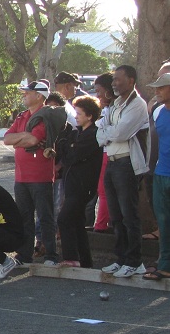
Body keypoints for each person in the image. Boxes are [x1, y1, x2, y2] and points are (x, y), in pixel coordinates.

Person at [97, 65, 150, 278]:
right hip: (111, 161)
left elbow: (120, 133)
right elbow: (100, 136)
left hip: (127, 164)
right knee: (116, 216)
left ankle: (135, 261)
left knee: (129, 215)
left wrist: (107, 131)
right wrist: (108, 132)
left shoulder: (137, 104)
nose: (115, 83)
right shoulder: (115, 104)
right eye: (113, 80)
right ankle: (120, 259)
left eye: (118, 79)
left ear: (131, 80)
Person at [2, 79, 58, 275]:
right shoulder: (22, 116)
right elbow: (7, 138)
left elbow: (34, 139)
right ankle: (24, 253)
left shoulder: (44, 116)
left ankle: (51, 254)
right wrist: (23, 139)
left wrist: (22, 139)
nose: (24, 95)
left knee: (45, 216)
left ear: (39, 95)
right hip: (21, 176)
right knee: (24, 216)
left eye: (27, 92)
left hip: (40, 175)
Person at [56, 96, 103, 268]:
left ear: (89, 116)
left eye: (79, 113)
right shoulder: (77, 133)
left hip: (83, 187)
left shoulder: (93, 134)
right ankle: (85, 261)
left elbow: (72, 156)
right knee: (76, 222)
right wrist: (67, 147)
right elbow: (64, 150)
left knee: (64, 219)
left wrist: (68, 148)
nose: (75, 116)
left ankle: (71, 257)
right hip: (72, 185)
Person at [146, 73, 170, 280]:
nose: (157, 91)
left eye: (161, 88)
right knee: (164, 222)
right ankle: (164, 265)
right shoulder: (159, 111)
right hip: (161, 173)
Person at [91, 72, 116, 233]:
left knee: (104, 190)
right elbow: (100, 134)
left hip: (111, 153)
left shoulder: (114, 109)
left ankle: (101, 224)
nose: (97, 95)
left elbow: (109, 133)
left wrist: (103, 132)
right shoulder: (107, 109)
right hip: (106, 151)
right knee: (102, 190)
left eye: (99, 90)